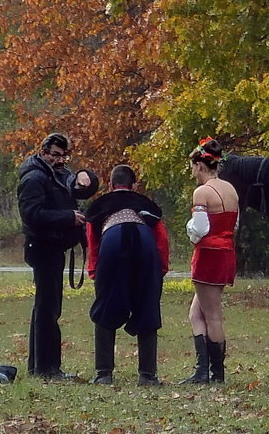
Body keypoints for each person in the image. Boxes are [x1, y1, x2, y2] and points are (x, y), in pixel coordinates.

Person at [17, 132, 99, 379]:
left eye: (64, 155)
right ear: (43, 153)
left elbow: (80, 189)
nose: (61, 160)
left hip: (54, 246)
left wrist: (87, 177)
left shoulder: (59, 174)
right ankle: (46, 369)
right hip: (42, 246)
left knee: (47, 307)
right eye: (55, 155)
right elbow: (31, 215)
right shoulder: (34, 178)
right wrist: (68, 218)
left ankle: (41, 367)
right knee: (47, 308)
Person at [84, 164, 170, 386]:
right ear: (134, 186)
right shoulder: (146, 206)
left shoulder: (99, 207)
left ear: (110, 184)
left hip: (111, 243)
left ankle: (104, 374)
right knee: (147, 306)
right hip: (145, 244)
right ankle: (147, 376)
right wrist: (158, 272)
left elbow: (92, 241)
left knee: (106, 307)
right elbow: (161, 239)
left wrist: (95, 271)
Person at [180, 136, 238, 384]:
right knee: (196, 313)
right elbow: (235, 224)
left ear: (200, 165)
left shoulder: (202, 192)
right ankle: (202, 369)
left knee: (212, 315)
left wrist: (189, 229)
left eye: (193, 167)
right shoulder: (231, 189)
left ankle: (215, 373)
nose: (192, 172)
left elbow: (200, 229)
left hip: (208, 255)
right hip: (226, 252)